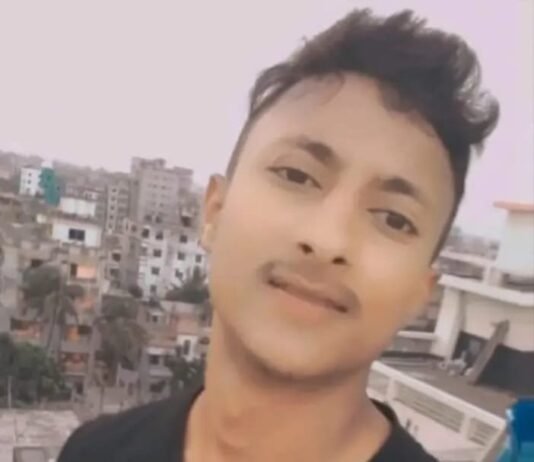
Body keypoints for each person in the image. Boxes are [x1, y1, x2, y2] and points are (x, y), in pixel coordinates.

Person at [58, 8, 499, 462]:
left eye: (393, 218)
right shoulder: (96, 452)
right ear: (215, 211)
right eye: (296, 175)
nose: (328, 240)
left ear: (419, 294)